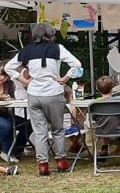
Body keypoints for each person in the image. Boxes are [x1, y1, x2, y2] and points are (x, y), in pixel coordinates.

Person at [3, 22, 82, 176]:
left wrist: (22, 79)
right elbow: (76, 64)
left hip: (34, 94)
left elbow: (8, 67)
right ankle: (61, 161)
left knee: (40, 131)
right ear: (51, 34)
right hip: (53, 92)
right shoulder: (57, 48)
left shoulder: (27, 50)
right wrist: (66, 78)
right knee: (58, 129)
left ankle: (43, 165)